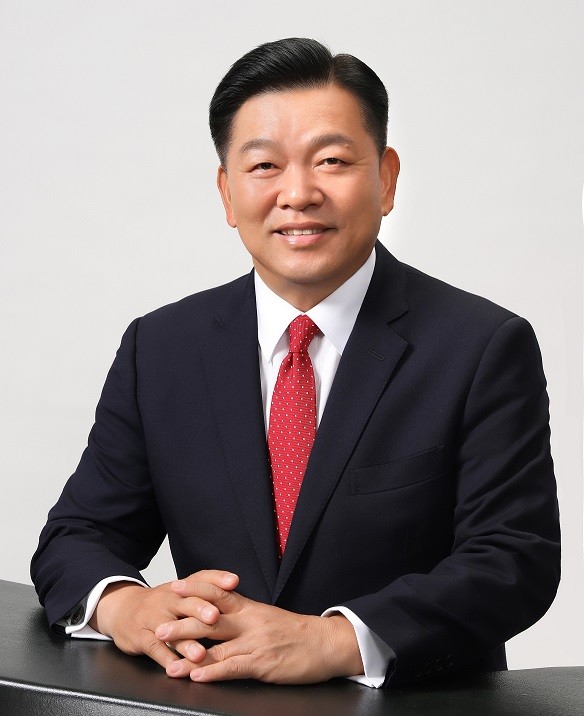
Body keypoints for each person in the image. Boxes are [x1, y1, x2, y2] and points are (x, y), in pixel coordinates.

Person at [31, 37, 560, 688]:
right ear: (227, 194)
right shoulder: (161, 347)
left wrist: (332, 640)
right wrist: (126, 606)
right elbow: (77, 535)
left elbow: (514, 560)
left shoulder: (481, 346)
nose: (299, 193)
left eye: (331, 160)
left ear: (386, 178)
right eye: (264, 166)